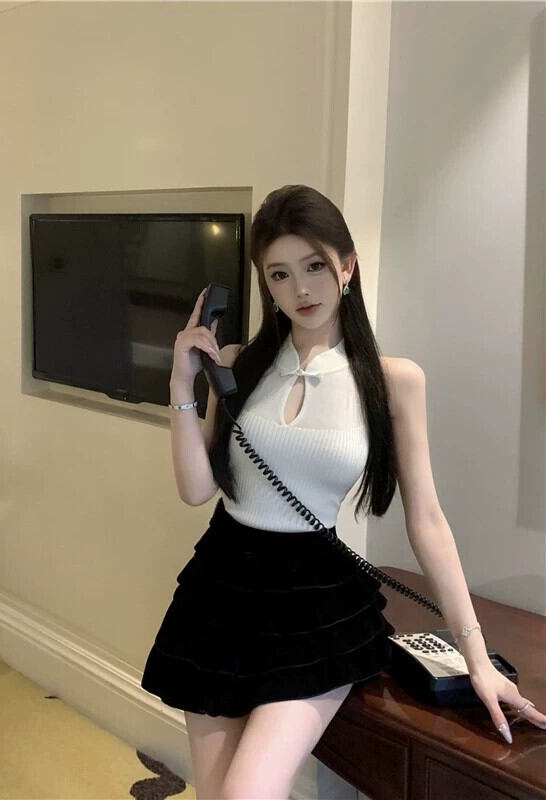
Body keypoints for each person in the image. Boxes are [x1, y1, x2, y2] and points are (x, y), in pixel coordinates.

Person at [141, 185, 546, 800]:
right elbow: (197, 488)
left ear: (347, 266)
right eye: (280, 274)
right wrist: (181, 383)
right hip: (220, 589)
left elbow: (427, 520)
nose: (301, 289)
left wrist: (477, 658)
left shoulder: (392, 381)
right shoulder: (239, 364)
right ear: (265, 285)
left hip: (315, 602)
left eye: (314, 266)